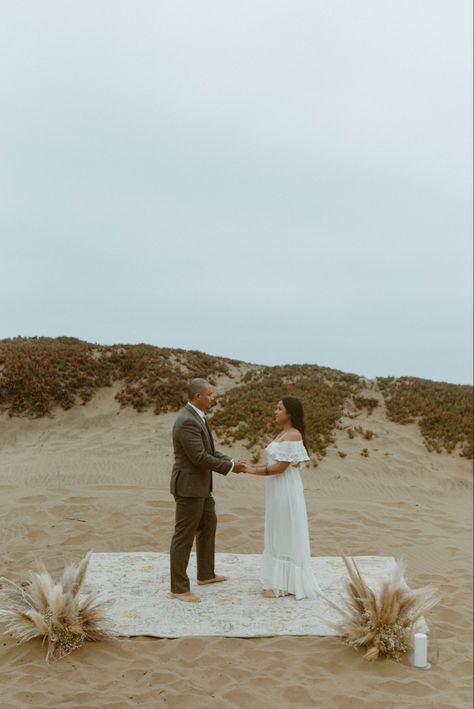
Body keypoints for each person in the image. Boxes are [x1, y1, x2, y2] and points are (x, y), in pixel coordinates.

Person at [169, 378, 246, 603]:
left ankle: (205, 574)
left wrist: (231, 460)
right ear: (197, 397)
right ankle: (179, 588)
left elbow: (210, 451)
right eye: (209, 395)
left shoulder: (197, 417)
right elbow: (199, 457)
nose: (212, 398)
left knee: (208, 524)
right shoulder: (186, 421)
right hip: (189, 488)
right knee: (183, 537)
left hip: (201, 487)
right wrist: (231, 467)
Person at [243, 396, 320, 600]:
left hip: (285, 488)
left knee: (284, 530)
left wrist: (251, 471)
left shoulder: (293, 435)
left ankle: (282, 585)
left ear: (289, 413)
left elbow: (280, 467)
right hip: (277, 488)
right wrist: (250, 467)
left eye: (279, 409)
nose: (275, 412)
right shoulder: (284, 433)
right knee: (277, 529)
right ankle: (278, 581)